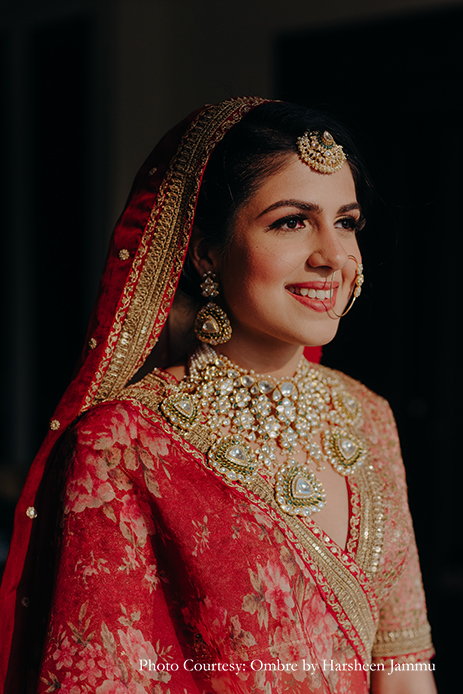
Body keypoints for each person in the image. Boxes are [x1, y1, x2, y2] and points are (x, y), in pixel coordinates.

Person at [0, 97, 436, 693]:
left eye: (346, 222)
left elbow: (405, 661)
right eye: (290, 221)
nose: (333, 257)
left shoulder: (367, 415)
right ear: (206, 251)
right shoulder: (125, 443)